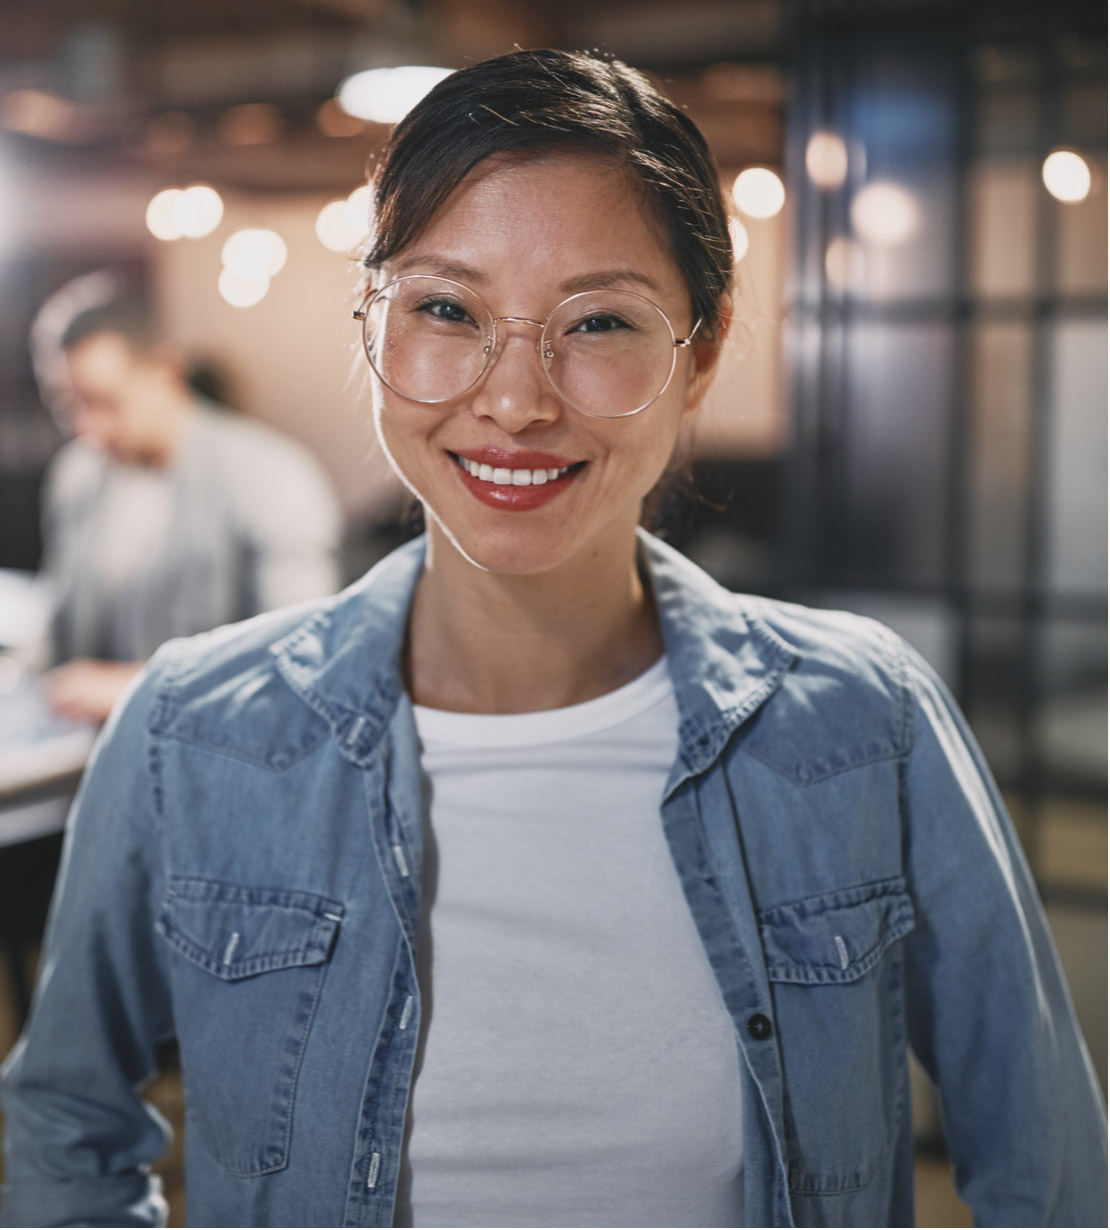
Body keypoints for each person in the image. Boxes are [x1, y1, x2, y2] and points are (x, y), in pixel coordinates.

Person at [1, 48, 1105, 1229]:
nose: (517, 400)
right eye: (445, 308)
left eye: (598, 320)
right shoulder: (187, 733)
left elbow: (1050, 1176)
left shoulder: (863, 724)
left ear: (706, 348)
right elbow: (64, 1134)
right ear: (371, 324)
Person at [27, 274, 344, 723]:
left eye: (103, 402)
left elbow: (297, 658)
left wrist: (134, 687)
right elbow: (59, 633)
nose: (85, 428)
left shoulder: (271, 477)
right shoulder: (75, 477)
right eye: (65, 404)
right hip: (86, 763)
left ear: (165, 372)